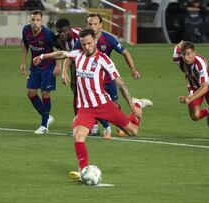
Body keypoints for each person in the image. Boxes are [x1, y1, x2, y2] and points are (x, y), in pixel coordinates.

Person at [33, 28, 152, 182]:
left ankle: (138, 104)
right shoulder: (78, 55)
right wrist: (42, 56)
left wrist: (132, 106)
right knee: (78, 136)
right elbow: (62, 53)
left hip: (104, 105)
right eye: (83, 44)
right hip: (85, 109)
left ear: (95, 41)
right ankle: (84, 170)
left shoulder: (104, 60)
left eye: (89, 43)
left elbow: (120, 84)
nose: (86, 47)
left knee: (133, 131)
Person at [69, 13, 141, 139]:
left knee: (114, 104)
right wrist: (65, 72)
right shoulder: (84, 40)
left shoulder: (108, 39)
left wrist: (133, 69)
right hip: (91, 81)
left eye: (95, 24)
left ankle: (121, 123)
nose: (93, 26)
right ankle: (99, 128)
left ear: (101, 25)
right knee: (92, 103)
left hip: (107, 79)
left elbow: (125, 52)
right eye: (90, 24)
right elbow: (69, 56)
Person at [173, 40, 209, 141]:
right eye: (183, 54)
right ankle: (208, 113)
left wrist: (189, 98)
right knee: (195, 116)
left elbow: (204, 87)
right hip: (193, 87)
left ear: (194, 53)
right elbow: (176, 49)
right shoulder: (178, 60)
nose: (186, 57)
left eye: (188, 54)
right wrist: (178, 45)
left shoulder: (200, 63)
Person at [20, 10, 59, 134]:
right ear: (29, 20)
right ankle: (47, 117)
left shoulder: (48, 34)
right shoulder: (26, 30)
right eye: (33, 20)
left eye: (37, 20)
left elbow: (59, 49)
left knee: (45, 93)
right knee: (31, 93)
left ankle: (44, 126)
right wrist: (23, 62)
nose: (35, 22)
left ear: (41, 21)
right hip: (35, 66)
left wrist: (58, 66)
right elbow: (26, 46)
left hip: (48, 66)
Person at [55, 18, 81, 115]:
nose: (62, 34)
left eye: (64, 31)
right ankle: (78, 121)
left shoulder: (79, 35)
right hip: (73, 62)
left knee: (86, 91)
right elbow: (61, 52)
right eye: (59, 32)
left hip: (86, 61)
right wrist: (58, 65)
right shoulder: (58, 39)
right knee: (75, 89)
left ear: (69, 28)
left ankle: (100, 124)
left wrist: (64, 71)